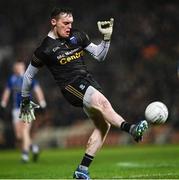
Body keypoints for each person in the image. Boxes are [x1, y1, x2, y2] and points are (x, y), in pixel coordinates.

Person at [19, 7, 148, 179]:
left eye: (71, 23)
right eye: (65, 23)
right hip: (70, 87)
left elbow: (99, 55)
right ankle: (131, 128)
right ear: (53, 22)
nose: (69, 27)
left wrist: (106, 38)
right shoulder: (45, 49)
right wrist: (25, 99)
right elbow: (28, 75)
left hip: (88, 81)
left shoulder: (78, 35)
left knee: (104, 126)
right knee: (102, 104)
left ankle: (82, 169)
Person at [0, 61, 46, 163]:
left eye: (19, 66)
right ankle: (34, 148)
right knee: (19, 136)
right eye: (16, 67)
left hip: (27, 106)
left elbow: (38, 90)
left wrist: (42, 103)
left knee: (25, 130)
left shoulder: (29, 77)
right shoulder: (11, 79)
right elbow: (7, 92)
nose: (17, 68)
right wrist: (3, 104)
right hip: (16, 109)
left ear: (23, 67)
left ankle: (25, 155)